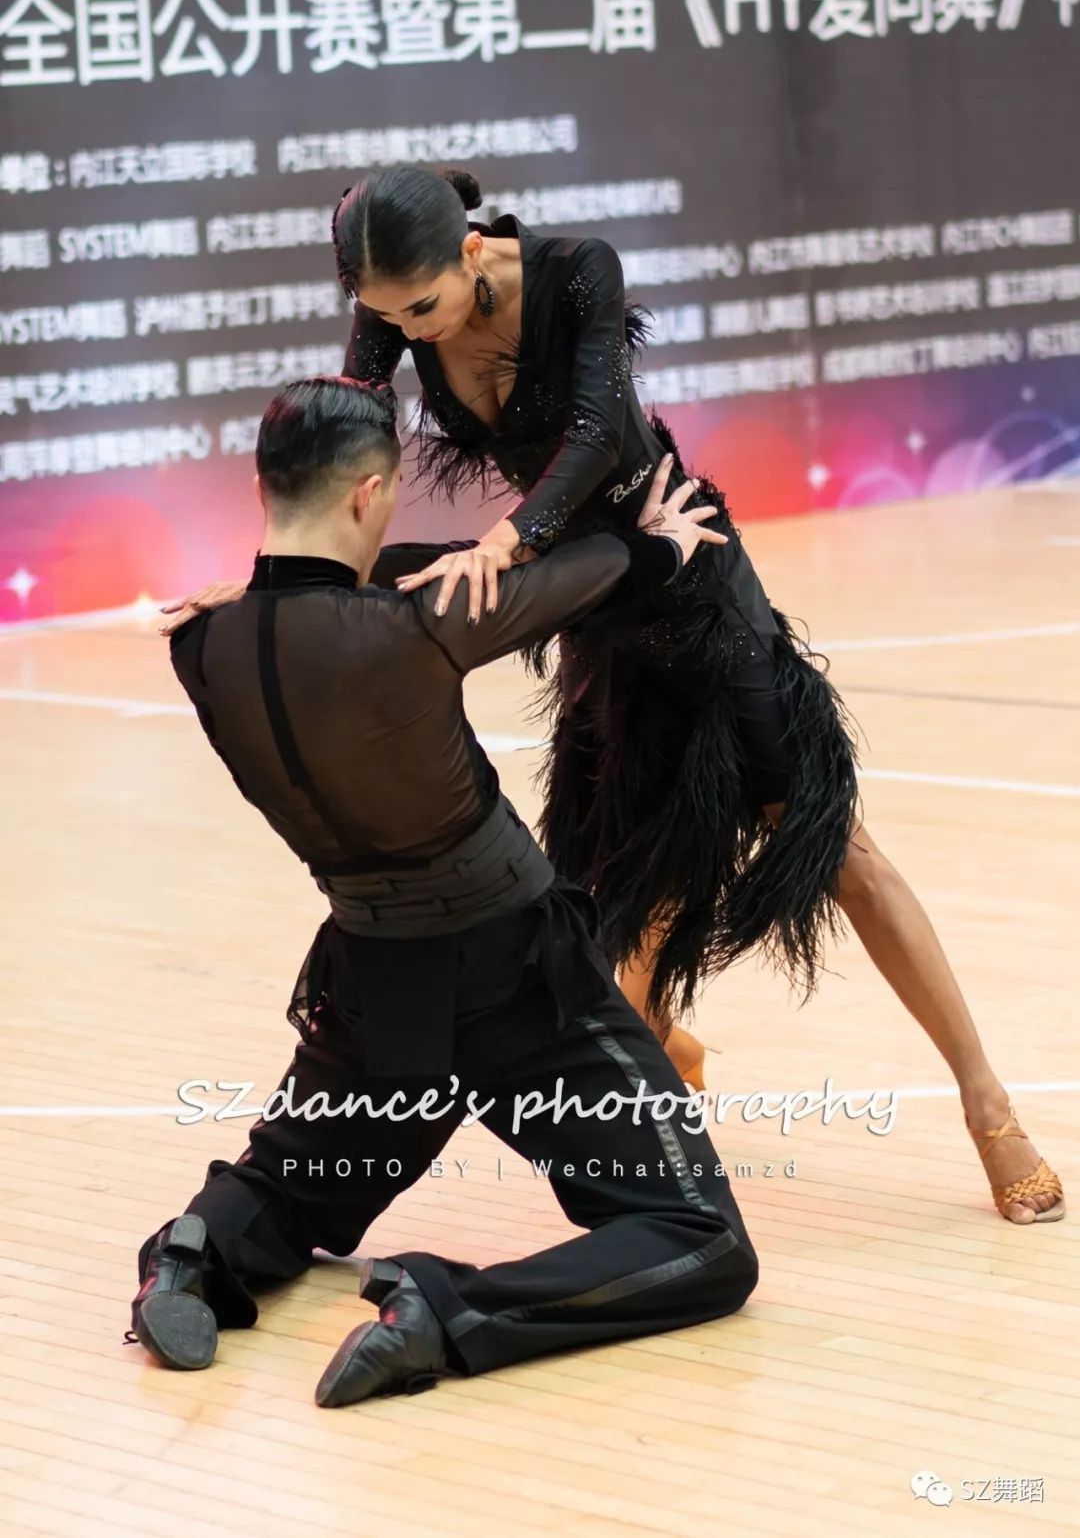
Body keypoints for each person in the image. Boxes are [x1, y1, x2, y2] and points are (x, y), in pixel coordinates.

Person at [167, 166, 1063, 1228]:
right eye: (385, 315)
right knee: (613, 876)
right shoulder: (393, 301)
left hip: (676, 561)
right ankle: (662, 1049)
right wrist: (281, 575)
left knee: (836, 847)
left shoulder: (576, 271)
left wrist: (509, 541)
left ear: (469, 252)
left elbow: (595, 431)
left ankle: (987, 1101)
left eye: (421, 308)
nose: (404, 330)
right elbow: (339, 446)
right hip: (584, 588)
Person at [132, 375, 759, 1406]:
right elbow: (577, 578)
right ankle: (445, 1307)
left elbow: (303, 600)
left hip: (374, 990)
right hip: (518, 983)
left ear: (260, 485)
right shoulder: (408, 629)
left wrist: (242, 588)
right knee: (699, 1238)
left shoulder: (201, 646)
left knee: (290, 1189)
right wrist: (657, 543)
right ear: (371, 492)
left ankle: (187, 1258)